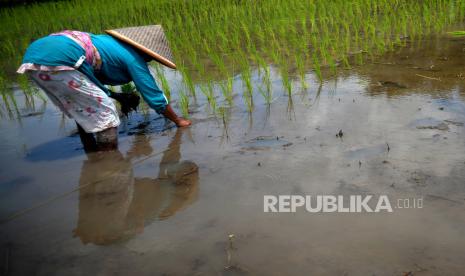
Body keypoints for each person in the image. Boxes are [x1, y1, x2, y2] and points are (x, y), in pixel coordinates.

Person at [17, 26, 191, 151]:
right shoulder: (133, 58)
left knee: (84, 106)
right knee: (105, 113)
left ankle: (91, 151)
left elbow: (90, 88)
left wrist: (117, 96)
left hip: (34, 59)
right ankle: (108, 161)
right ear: (147, 52)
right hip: (61, 60)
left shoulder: (109, 43)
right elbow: (153, 94)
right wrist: (178, 121)